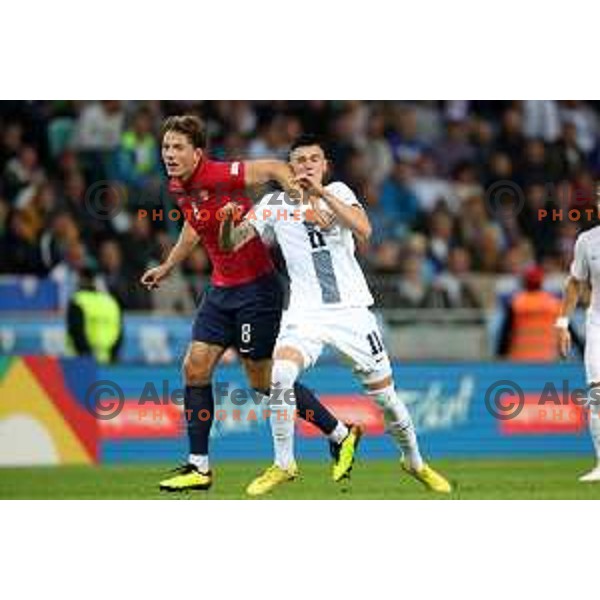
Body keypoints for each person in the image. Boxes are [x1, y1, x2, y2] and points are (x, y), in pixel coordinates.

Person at [220, 134, 452, 496]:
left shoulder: (340, 192)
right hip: (305, 313)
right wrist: (225, 222)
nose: (307, 165)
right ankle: (283, 464)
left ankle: (414, 462)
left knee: (386, 399)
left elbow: (364, 230)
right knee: (279, 372)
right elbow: (232, 243)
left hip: (352, 313)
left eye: (315, 159)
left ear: (325, 166)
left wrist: (320, 194)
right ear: (289, 167)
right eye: (300, 160)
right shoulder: (273, 204)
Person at [140, 116, 360, 492]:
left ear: (197, 153)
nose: (170, 154)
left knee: (261, 382)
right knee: (194, 368)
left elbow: (275, 167)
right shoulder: (179, 185)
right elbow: (195, 225)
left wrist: (300, 196)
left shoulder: (221, 173)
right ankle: (199, 466)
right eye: (166, 147)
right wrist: (168, 264)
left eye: (178, 148)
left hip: (257, 291)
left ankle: (339, 432)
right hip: (220, 290)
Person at [557, 216, 600, 482]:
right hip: (598, 323)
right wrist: (562, 323)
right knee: (596, 393)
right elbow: (575, 282)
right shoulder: (587, 240)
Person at [498, 266, 561, 361]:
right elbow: (567, 330)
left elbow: (505, 333)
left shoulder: (516, 303)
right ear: (541, 282)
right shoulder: (554, 304)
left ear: (525, 282)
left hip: (521, 359)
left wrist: (500, 354)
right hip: (548, 358)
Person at [66, 267, 123, 364]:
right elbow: (119, 333)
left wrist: (87, 357)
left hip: (81, 361)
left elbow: (77, 332)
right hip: (107, 361)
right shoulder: (111, 301)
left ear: (81, 279)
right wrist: (113, 357)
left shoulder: (78, 301)